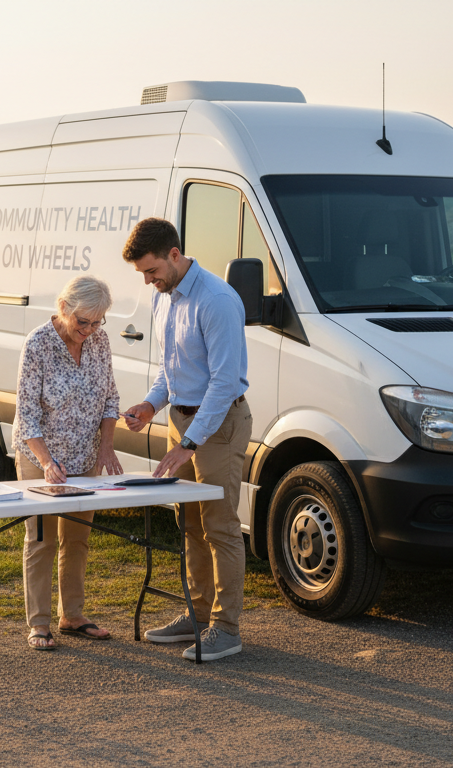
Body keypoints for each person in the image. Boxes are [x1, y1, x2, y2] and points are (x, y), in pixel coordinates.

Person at [120, 217, 251, 661]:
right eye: (142, 273)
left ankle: (226, 629)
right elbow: (172, 370)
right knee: (189, 523)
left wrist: (187, 444)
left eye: (151, 270)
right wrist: (150, 405)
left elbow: (222, 383)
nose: (148, 280)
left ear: (174, 255)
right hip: (182, 421)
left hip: (218, 427)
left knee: (220, 526)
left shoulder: (217, 300)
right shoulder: (166, 297)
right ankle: (196, 615)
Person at [13, 274, 124, 650]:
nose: (90, 330)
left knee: (77, 539)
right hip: (39, 456)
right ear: (64, 309)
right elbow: (26, 414)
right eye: (83, 322)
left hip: (85, 455)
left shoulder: (99, 341)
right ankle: (38, 623)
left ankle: (72, 616)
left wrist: (106, 447)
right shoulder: (38, 345)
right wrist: (46, 462)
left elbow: (110, 398)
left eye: (97, 322)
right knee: (41, 538)